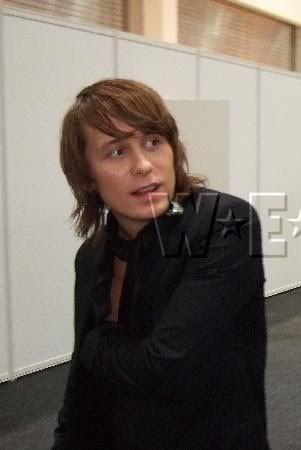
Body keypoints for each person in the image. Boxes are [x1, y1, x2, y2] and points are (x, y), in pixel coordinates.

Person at [53, 79, 268, 449]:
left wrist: (94, 345)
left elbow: (166, 367)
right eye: (116, 152)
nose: (143, 165)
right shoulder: (92, 256)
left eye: (153, 141)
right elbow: (83, 390)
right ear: (87, 176)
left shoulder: (222, 223)